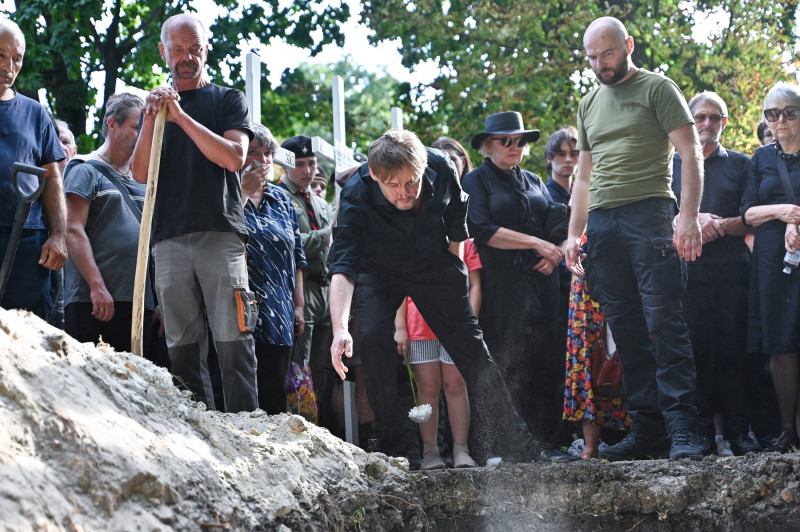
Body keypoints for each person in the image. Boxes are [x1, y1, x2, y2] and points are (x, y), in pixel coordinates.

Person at [329, 128, 568, 463]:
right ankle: (396, 448)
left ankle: (519, 446)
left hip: (434, 264)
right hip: (379, 271)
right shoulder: (356, 194)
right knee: (373, 341)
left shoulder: (441, 167)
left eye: (411, 182)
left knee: (472, 349)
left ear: (423, 168)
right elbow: (343, 266)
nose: (404, 193)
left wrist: (453, 278)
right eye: (393, 186)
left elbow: (457, 224)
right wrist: (340, 329)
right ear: (374, 176)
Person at [565, 16, 705, 461]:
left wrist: (687, 217)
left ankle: (683, 426)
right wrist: (573, 233)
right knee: (623, 329)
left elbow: (690, 150)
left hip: (650, 213)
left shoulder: (658, 88)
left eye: (607, 53)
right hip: (603, 225)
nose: (600, 64)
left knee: (665, 321)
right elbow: (583, 177)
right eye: (592, 57)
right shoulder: (588, 103)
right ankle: (648, 430)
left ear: (627, 45)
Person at [131, 13, 257, 413]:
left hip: (220, 234)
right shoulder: (153, 108)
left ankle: (248, 430)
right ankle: (197, 431)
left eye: (195, 49)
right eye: (179, 50)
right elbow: (137, 173)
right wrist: (153, 116)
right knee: (181, 347)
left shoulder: (227, 98)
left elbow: (235, 157)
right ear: (163, 51)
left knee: (234, 342)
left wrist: (181, 116)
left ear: (207, 48)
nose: (187, 57)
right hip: (167, 239)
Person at [461, 111, 567, 456]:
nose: (514, 147)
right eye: (506, 141)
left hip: (542, 285)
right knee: (506, 358)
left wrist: (554, 253)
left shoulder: (536, 180)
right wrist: (536, 244)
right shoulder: (476, 181)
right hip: (500, 286)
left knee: (545, 359)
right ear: (488, 146)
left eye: (519, 141)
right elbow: (482, 229)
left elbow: (557, 224)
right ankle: (505, 445)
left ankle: (547, 441)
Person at [672, 91, 760, 456]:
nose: (707, 124)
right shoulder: (669, 165)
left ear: (725, 123)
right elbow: (659, 217)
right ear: (689, 123)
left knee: (733, 352)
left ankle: (740, 434)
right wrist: (686, 220)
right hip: (684, 274)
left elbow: (754, 216)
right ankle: (702, 438)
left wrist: (717, 224)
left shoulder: (742, 165)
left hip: (732, 273)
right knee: (693, 355)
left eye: (715, 117)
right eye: (700, 118)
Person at [63, 93, 163, 358]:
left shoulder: (146, 179)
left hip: (142, 303)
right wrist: (97, 286)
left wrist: (160, 300)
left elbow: (154, 243)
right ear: (112, 125)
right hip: (94, 301)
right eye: (136, 126)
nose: (143, 134)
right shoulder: (85, 169)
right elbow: (72, 229)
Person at [741, 81, 800, 453]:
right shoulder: (761, 158)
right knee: (781, 342)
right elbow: (746, 213)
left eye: (789, 112)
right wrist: (783, 212)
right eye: (771, 114)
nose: (780, 120)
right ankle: (786, 429)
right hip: (771, 258)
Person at [0, 18, 67, 319]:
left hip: (27, 241)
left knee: (28, 332)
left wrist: (59, 235)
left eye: (17, 59)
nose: (9, 67)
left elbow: (52, 179)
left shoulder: (35, 113)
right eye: (0, 55)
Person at [240, 124, 307, 414]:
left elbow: (298, 255)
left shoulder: (283, 202)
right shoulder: (226, 193)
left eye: (268, 154)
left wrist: (299, 306)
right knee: (243, 383)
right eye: (254, 152)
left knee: (274, 389)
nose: (262, 160)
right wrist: (243, 191)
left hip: (280, 308)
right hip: (239, 306)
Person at [275, 136, 335, 422]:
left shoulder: (319, 203)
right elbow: (291, 243)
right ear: (286, 165)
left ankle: (318, 421)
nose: (308, 171)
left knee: (323, 366)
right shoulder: (279, 197)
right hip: (302, 287)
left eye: (311, 163)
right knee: (301, 365)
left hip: (326, 288)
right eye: (300, 164)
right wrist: (326, 234)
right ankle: (299, 422)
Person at [49, 118, 78, 330]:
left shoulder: (86, 185)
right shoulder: (30, 186)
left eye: (66, 142)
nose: (61, 147)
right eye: (54, 141)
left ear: (74, 150)